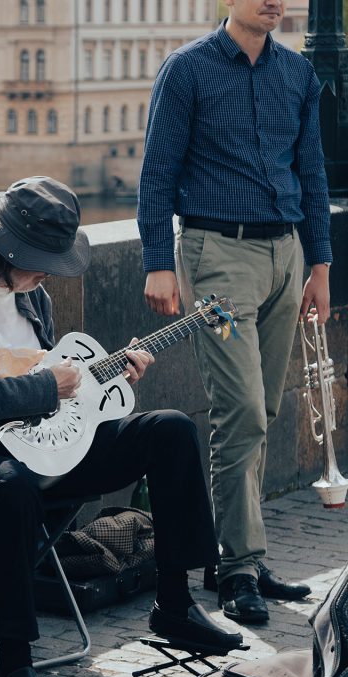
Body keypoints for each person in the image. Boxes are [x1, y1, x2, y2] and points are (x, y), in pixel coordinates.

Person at [0, 177, 242, 677]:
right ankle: (15, 656)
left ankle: (176, 604)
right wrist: (45, 390)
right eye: (42, 261)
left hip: (44, 445)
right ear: (3, 247)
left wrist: (108, 379)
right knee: (12, 485)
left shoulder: (35, 298)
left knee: (171, 429)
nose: (50, 275)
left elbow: (57, 387)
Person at [138, 0, 330, 623]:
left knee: (264, 407)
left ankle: (237, 557)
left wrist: (320, 265)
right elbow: (157, 173)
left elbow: (313, 170)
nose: (274, 0)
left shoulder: (298, 75)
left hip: (285, 257)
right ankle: (239, 565)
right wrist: (158, 261)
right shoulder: (186, 69)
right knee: (240, 405)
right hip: (215, 263)